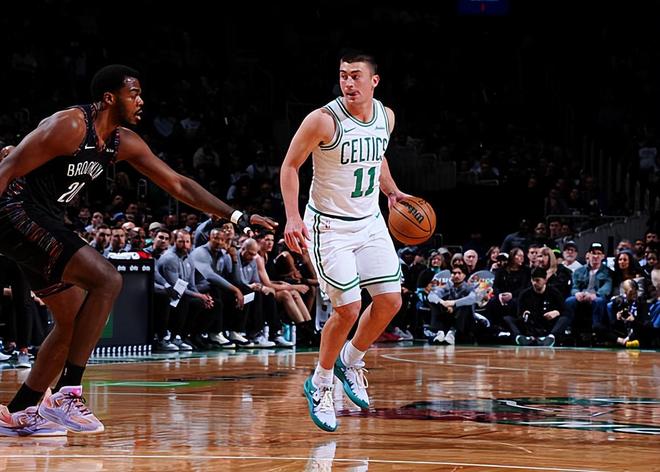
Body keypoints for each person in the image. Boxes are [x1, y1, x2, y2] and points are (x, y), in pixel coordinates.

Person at [0, 64, 276, 437]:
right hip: (15, 212)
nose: (141, 101)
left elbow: (178, 184)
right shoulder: (71, 126)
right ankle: (68, 392)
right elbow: (8, 167)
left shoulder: (121, 141)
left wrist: (237, 215)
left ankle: (20, 410)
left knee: (73, 319)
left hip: (45, 217)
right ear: (109, 98)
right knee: (107, 279)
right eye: (134, 93)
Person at [280, 51, 409, 432]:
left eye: (356, 76)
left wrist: (392, 191)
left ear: (374, 81)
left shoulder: (386, 117)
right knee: (348, 309)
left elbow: (378, 156)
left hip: (370, 221)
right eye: (343, 76)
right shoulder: (323, 120)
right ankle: (320, 382)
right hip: (329, 226)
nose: (348, 83)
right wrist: (292, 216)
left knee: (390, 301)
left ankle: (350, 359)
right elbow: (290, 166)